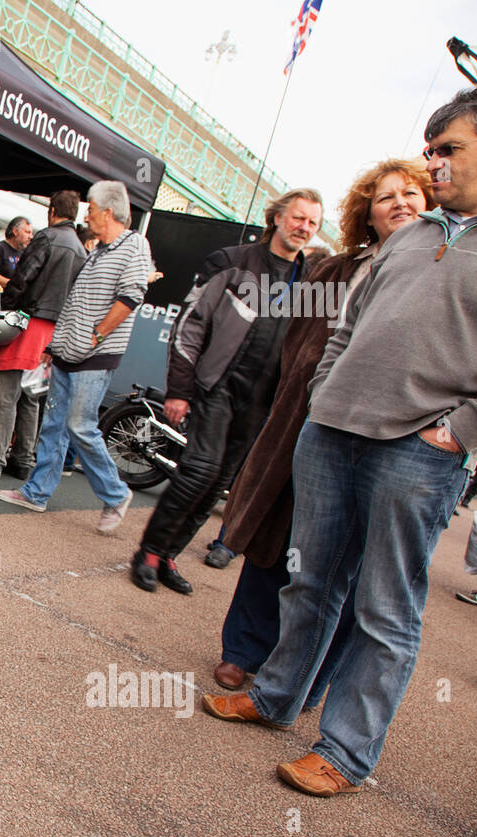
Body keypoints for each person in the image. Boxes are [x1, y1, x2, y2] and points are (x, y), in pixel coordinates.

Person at [202, 86, 477, 798]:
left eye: (447, 149)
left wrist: (459, 433)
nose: (434, 165)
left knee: (384, 607)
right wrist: (324, 397)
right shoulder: (413, 237)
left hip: (419, 455)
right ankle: (273, 697)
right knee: (309, 581)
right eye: (429, 150)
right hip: (330, 435)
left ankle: (345, 751)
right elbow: (346, 327)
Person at [210, 159, 433, 691]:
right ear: (367, 214)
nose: (400, 203)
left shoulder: (439, 269)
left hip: (387, 437)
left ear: (432, 203)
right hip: (305, 425)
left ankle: (306, 676)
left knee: (345, 567)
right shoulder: (333, 271)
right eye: (385, 197)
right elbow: (290, 342)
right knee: (276, 540)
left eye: (411, 193)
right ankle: (243, 651)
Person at [130, 187, 323, 594]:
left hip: (264, 402)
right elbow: (190, 325)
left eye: (312, 222)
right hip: (217, 386)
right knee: (198, 471)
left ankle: (168, 554)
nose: (303, 227)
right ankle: (147, 553)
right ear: (277, 218)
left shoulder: (308, 281)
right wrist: (179, 390)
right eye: (298, 217)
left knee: (219, 483)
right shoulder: (231, 262)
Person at [0, 180, 152, 533]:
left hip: (95, 356)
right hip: (68, 353)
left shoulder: (134, 245)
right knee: (54, 425)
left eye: (91, 209)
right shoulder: (96, 251)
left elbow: (131, 296)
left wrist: (97, 335)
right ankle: (36, 493)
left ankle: (115, 494)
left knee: (79, 426)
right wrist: (56, 346)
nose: (87, 215)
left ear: (108, 212)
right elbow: (75, 303)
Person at [0, 192, 83, 481]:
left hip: (28, 322)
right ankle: (23, 460)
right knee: (31, 397)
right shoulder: (81, 249)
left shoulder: (47, 238)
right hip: (53, 330)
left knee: (6, 394)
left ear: (53, 210)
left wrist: (5, 309)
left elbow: (23, 278)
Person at [0, 216, 34, 287]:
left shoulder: (24, 253)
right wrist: (12, 285)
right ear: (15, 231)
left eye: (31, 233)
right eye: (27, 232)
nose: (31, 237)